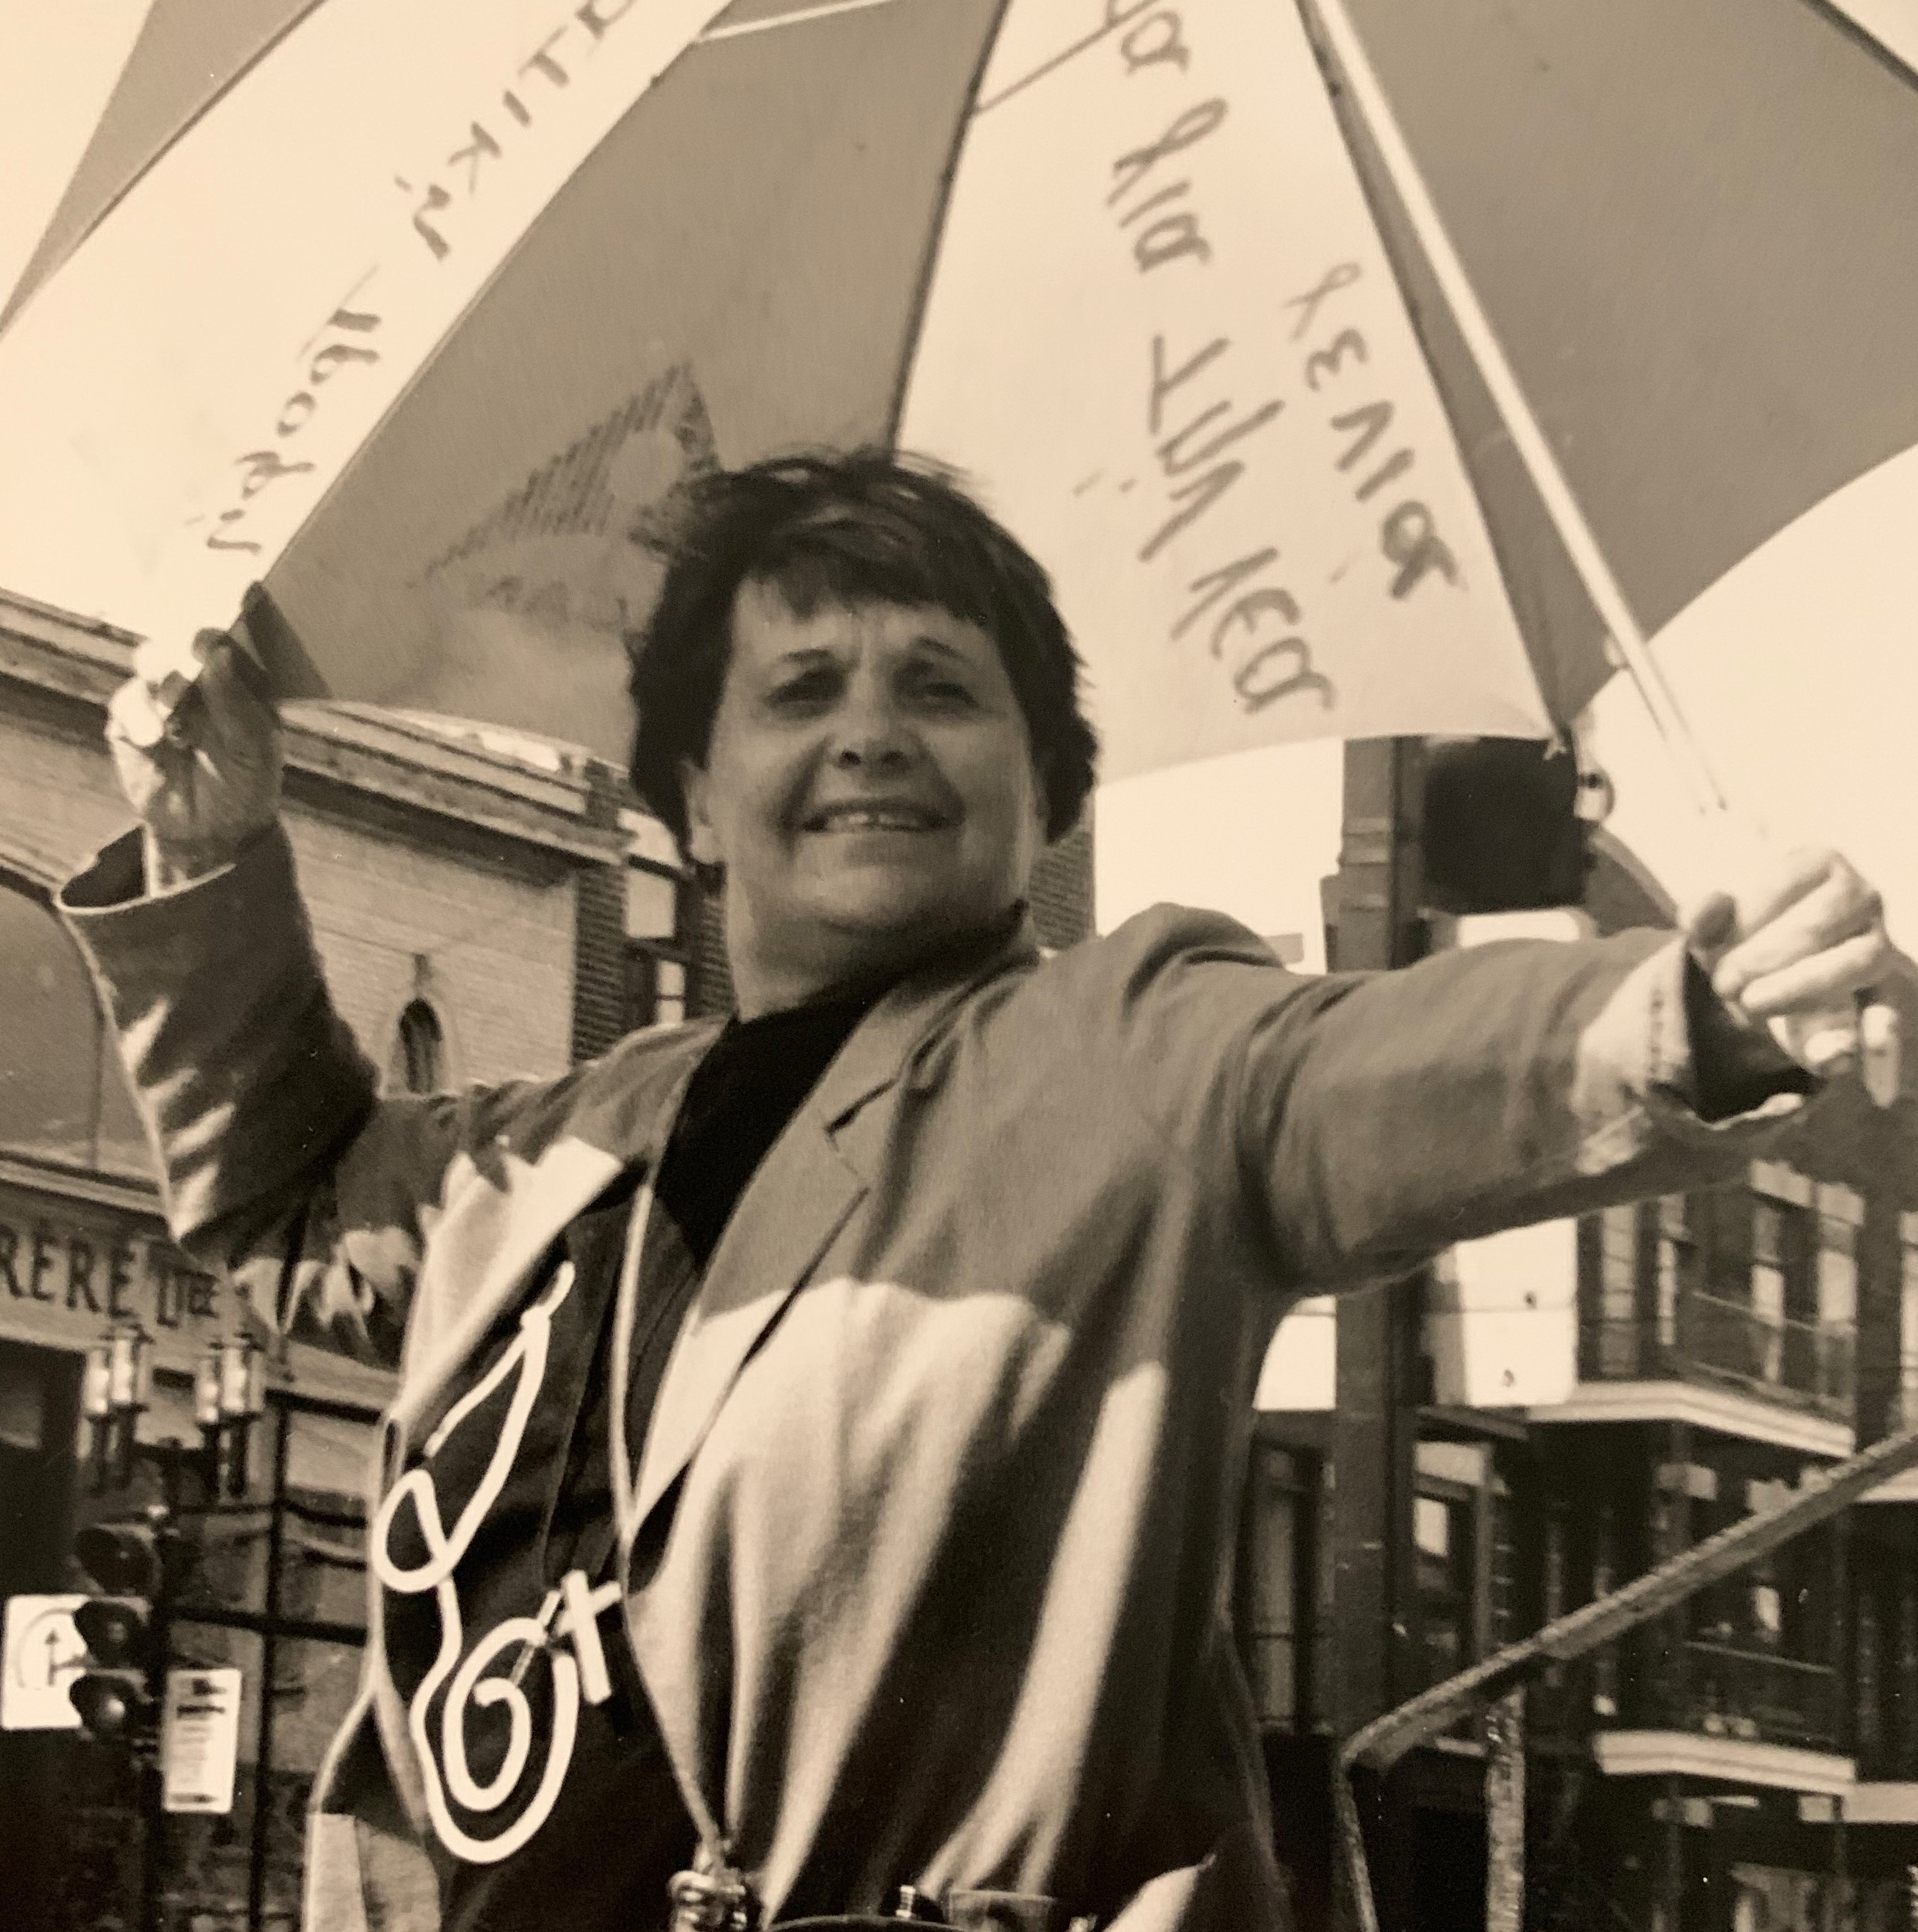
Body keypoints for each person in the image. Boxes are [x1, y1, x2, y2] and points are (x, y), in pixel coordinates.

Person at [63, 451, 1891, 1932]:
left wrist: (1683, 1019)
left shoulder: (1130, 1054)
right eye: (801, 690)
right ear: (691, 799)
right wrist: (213, 850)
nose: (871, 733)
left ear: (1050, 798)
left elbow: (1364, 1070)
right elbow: (293, 1211)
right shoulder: (560, 1150)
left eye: (939, 688)